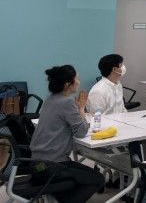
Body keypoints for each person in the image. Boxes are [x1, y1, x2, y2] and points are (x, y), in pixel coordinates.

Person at [29, 65, 105, 203]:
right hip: (51, 166)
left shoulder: (50, 99)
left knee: (77, 175)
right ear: (67, 84)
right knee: (98, 179)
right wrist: (81, 109)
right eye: (76, 79)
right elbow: (81, 132)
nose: (78, 82)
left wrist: (78, 111)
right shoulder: (67, 102)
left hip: (36, 165)